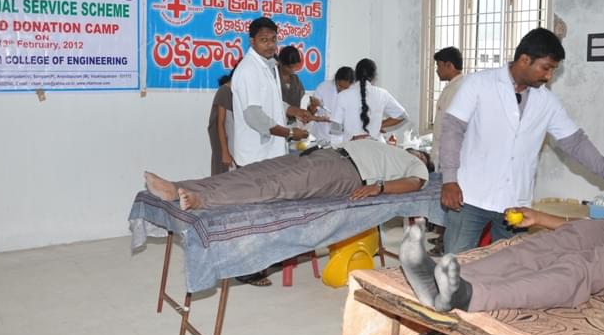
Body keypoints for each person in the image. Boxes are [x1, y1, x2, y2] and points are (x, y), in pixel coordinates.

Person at [439, 28, 604, 253]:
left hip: (515, 202)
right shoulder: (478, 84)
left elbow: (576, 143)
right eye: (546, 68)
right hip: (469, 195)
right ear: (525, 60)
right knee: (455, 262)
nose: (549, 76)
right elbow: (452, 130)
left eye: (553, 70)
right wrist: (449, 180)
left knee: (510, 264)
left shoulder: (547, 102)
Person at [399, 204, 604, 313]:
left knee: (584, 268)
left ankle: (469, 296)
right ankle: (438, 280)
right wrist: (542, 218)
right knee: (540, 246)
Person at [144, 138, 434, 210]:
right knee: (253, 171)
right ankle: (176, 187)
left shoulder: (417, 165)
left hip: (344, 172)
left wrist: (379, 188)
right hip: (326, 154)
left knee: (272, 185)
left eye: (421, 153)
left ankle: (201, 200)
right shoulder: (391, 148)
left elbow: (415, 183)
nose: (417, 151)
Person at [231, 17, 310, 168]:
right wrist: (290, 133)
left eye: (273, 39)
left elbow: (271, 101)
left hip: (271, 155)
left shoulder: (271, 65)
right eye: (264, 40)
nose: (270, 45)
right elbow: (254, 116)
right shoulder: (249, 69)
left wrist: (294, 111)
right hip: (255, 157)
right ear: (252, 41)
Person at [331, 58, 407, 142]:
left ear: (355, 75)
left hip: (351, 146)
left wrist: (339, 144)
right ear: (374, 77)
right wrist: (379, 125)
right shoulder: (382, 94)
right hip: (377, 146)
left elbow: (335, 128)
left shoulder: (343, 96)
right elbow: (402, 116)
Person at [430, 47, 464, 169]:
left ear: (449, 65)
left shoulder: (458, 89)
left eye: (439, 66)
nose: (437, 70)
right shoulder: (452, 87)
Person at [310, 66, 355, 143]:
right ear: (336, 80)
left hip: (341, 138)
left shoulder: (353, 93)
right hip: (321, 135)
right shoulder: (323, 87)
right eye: (339, 86)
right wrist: (313, 105)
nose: (341, 90)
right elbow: (311, 112)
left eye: (345, 88)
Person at [277, 45, 319, 123]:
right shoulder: (272, 77)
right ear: (280, 62)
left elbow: (303, 112)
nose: (293, 70)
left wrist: (312, 106)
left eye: (296, 67)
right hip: (275, 124)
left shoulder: (295, 79)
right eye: (290, 67)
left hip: (293, 125)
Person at [207, 69, 235, 175]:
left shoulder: (238, 92)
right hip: (227, 147)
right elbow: (220, 124)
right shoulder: (224, 91)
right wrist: (225, 152)